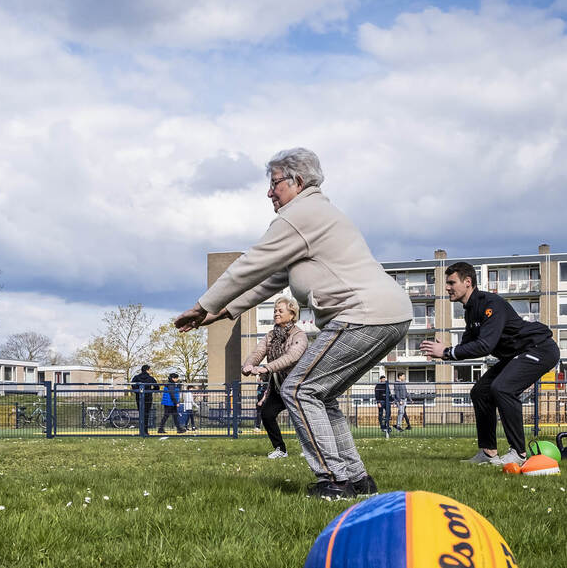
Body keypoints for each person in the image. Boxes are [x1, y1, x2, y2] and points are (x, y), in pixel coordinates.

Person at [175, 147, 412, 499]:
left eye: (275, 184)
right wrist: (222, 312)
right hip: (389, 314)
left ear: (297, 182)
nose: (269, 192)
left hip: (362, 314)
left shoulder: (299, 215)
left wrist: (202, 304)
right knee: (321, 394)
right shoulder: (318, 214)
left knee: (298, 390)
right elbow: (273, 278)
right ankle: (358, 480)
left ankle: (334, 480)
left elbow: (252, 263)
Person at [420, 262, 558, 466]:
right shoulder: (471, 311)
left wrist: (448, 352)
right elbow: (469, 344)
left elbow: (485, 345)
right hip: (516, 355)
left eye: (451, 282)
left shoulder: (490, 303)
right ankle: (488, 452)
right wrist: (446, 351)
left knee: (502, 388)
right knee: (480, 392)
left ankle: (518, 454)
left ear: (468, 282)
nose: (447, 288)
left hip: (539, 349)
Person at [241, 296, 308, 459]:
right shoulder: (271, 335)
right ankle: (280, 449)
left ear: (292, 314)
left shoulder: (299, 336)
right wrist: (248, 365)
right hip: (279, 386)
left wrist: (265, 367)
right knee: (267, 414)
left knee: (302, 419)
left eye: (280, 311)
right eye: (274, 311)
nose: (276, 314)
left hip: (298, 386)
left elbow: (291, 357)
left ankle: (309, 449)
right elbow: (257, 353)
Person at [130, 364, 159, 434]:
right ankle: (146, 431)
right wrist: (151, 390)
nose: (150, 371)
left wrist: (138, 392)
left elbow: (133, 385)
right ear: (147, 370)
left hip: (139, 398)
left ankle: (141, 431)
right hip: (148, 398)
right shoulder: (151, 378)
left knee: (141, 414)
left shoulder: (136, 377)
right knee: (146, 415)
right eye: (150, 370)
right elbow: (157, 387)